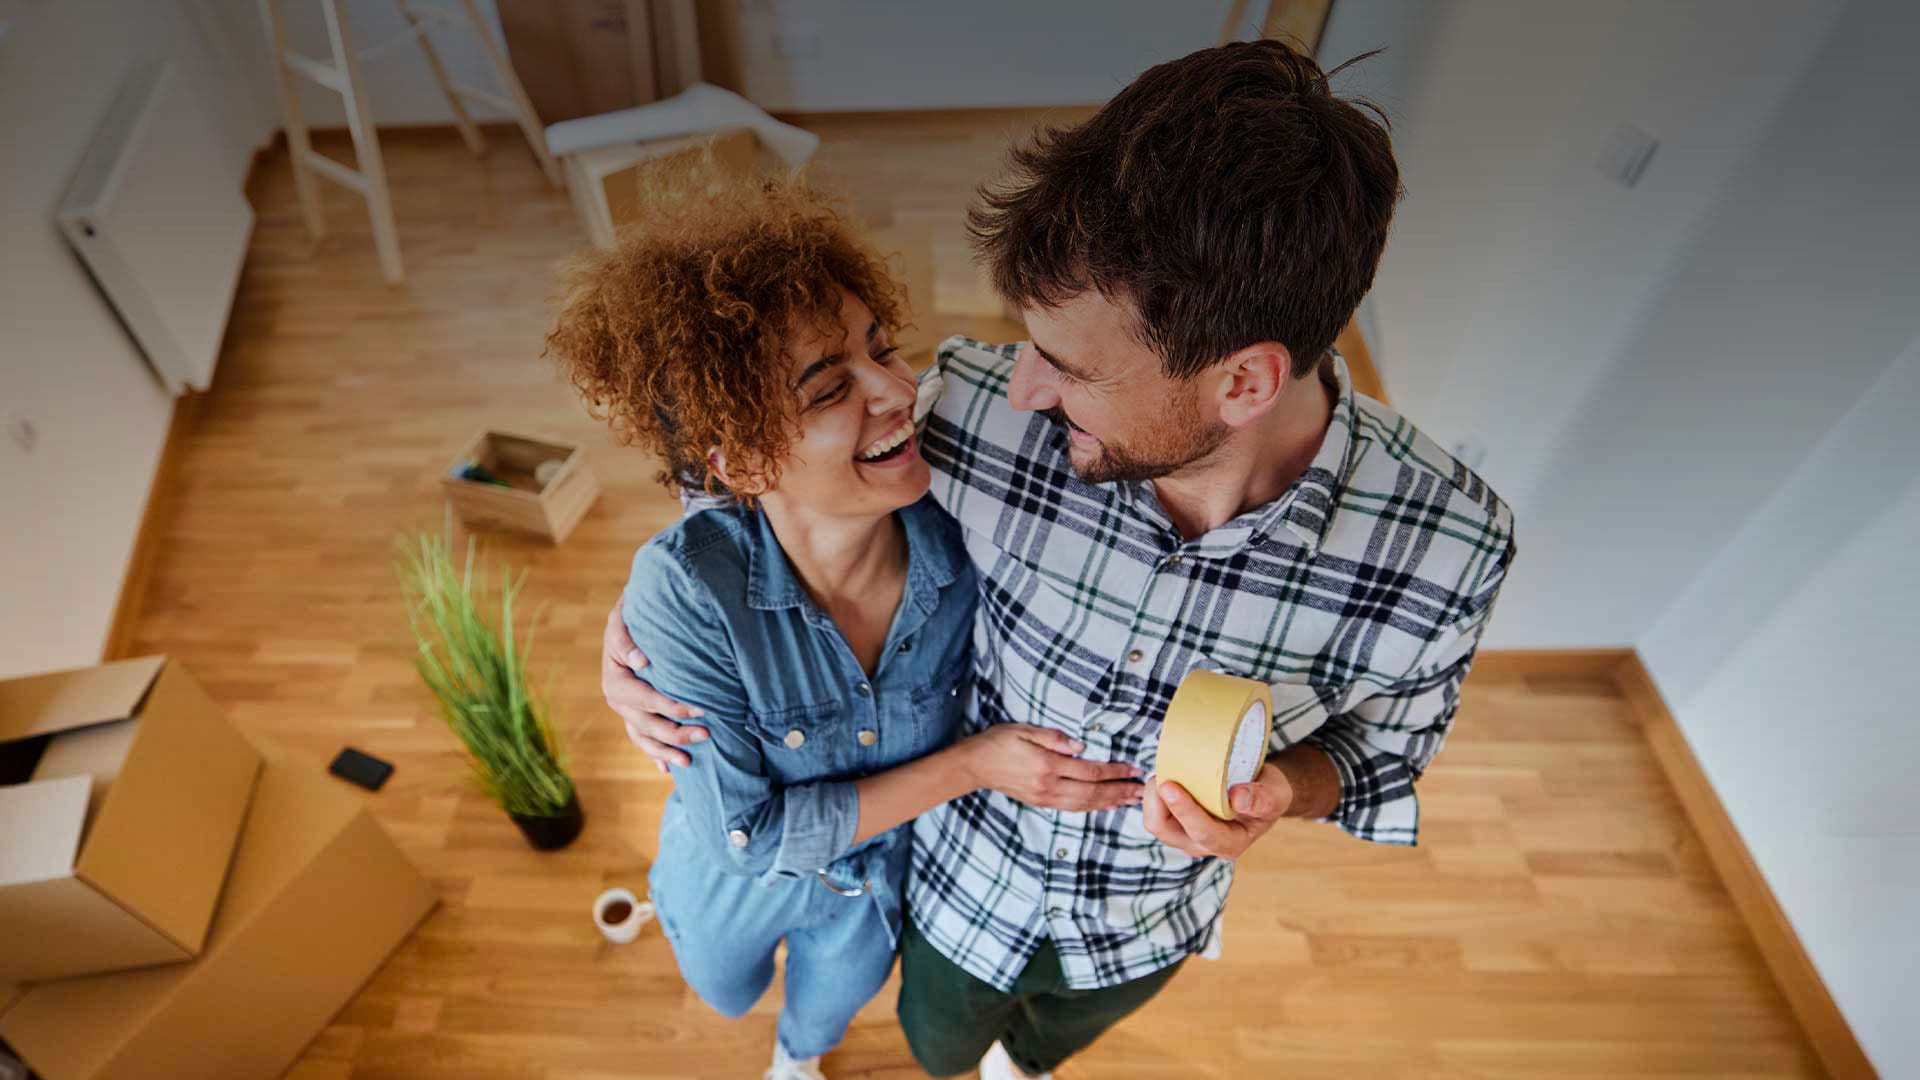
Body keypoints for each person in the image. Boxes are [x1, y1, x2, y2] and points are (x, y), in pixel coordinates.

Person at [605, 40, 1517, 1080]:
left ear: (1244, 382)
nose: (1018, 386)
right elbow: (758, 461)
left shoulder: (1447, 550)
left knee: (1036, 1056)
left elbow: (1385, 752)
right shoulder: (976, 421)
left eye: (1069, 366)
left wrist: (1288, 789)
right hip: (959, 895)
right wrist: (641, 626)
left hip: (1144, 923)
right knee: (935, 1049)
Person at [546, 176, 1142, 1080]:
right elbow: (748, 839)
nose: (898, 391)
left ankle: (795, 1062)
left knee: (822, 1014)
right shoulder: (686, 594)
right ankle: (671, 915)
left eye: (883, 349)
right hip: (732, 885)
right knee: (725, 993)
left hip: (875, 888)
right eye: (829, 389)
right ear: (741, 455)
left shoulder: (963, 528)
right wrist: (972, 766)